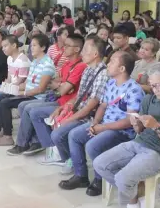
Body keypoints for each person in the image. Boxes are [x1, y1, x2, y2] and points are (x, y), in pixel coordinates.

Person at [93, 62, 160, 208]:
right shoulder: (150, 99)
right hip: (140, 142)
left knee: (123, 178)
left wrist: (156, 127)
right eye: (152, 86)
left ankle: (131, 202)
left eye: (159, 85)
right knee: (100, 164)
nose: (155, 90)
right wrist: (137, 124)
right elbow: (140, 131)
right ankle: (134, 199)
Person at [59, 51, 145, 196]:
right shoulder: (111, 83)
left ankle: (99, 179)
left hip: (122, 131)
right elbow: (103, 106)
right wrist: (96, 123)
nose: (108, 64)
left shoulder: (134, 89)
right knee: (74, 135)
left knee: (93, 145)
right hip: (104, 124)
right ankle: (81, 176)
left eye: (112, 62)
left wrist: (102, 128)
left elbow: (129, 121)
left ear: (122, 69)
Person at [5, 34, 87, 156]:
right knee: (23, 106)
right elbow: (56, 83)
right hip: (59, 99)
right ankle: (32, 142)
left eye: (67, 46)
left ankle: (50, 148)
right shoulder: (66, 64)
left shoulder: (80, 66)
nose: (63, 48)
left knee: (31, 110)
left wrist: (60, 85)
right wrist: (60, 85)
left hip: (67, 104)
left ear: (77, 49)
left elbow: (61, 89)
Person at [37, 36, 110, 166]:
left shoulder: (102, 74)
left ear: (95, 54)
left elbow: (90, 107)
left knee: (59, 134)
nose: (82, 53)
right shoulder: (88, 69)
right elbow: (79, 96)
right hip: (80, 111)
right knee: (54, 123)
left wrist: (68, 120)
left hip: (90, 116)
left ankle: (76, 167)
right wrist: (61, 108)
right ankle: (69, 160)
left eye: (85, 49)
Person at [0, 34, 55, 146]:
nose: (31, 48)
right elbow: (26, 83)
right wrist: (8, 89)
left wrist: (21, 93)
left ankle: (8, 136)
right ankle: (6, 132)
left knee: (5, 102)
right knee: (2, 99)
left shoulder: (47, 64)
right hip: (28, 93)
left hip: (37, 96)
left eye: (34, 45)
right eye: (31, 45)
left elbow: (40, 89)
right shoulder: (35, 62)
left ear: (43, 47)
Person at [0, 35, 31, 130]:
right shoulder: (9, 58)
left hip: (19, 89)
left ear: (14, 45)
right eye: (2, 46)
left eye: (5, 46)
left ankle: (4, 126)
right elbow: (8, 78)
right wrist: (1, 88)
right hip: (11, 86)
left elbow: (20, 83)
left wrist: (1, 89)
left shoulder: (23, 60)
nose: (3, 49)